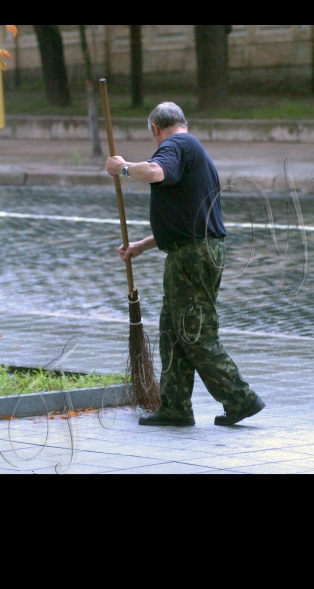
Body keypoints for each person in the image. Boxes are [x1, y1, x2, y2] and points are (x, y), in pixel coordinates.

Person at [106, 102, 265, 427]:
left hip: (191, 257)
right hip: (191, 253)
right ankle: (175, 407)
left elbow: (154, 172)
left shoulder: (177, 145)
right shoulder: (192, 150)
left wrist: (123, 167)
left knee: (195, 332)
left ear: (155, 129)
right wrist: (142, 246)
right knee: (173, 330)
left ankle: (240, 398)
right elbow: (187, 219)